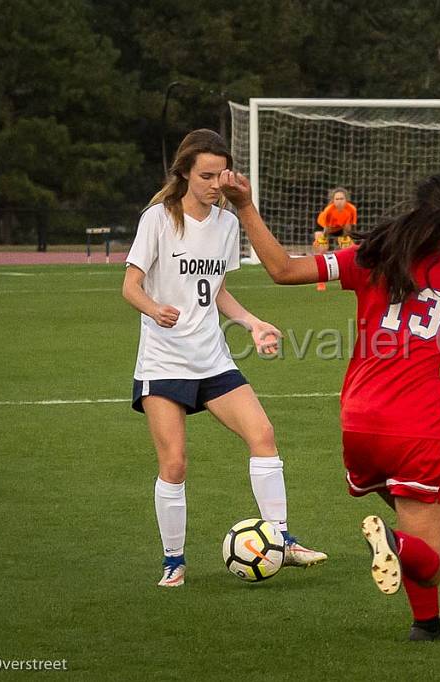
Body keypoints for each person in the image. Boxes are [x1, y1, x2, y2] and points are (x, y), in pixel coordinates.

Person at [221, 170, 440, 640]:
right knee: (431, 559)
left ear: (417, 209)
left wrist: (245, 207)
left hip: (358, 422)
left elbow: (283, 270)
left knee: (411, 514)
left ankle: (426, 625)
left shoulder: (370, 258)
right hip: (416, 429)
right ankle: (395, 544)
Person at [122, 129, 327, 588]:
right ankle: (174, 560)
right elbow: (130, 286)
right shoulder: (158, 219)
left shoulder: (228, 224)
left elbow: (215, 290)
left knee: (264, 435)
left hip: (213, 360)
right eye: (206, 175)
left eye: (221, 175)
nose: (215, 184)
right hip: (163, 363)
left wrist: (253, 323)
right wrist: (154, 308)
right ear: (185, 174)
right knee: (174, 464)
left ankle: (282, 539)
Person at [313, 187, 357, 291]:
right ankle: (321, 282)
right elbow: (326, 229)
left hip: (341, 228)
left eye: (342, 199)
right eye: (337, 199)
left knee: (350, 250)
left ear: (346, 200)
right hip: (324, 228)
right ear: (333, 200)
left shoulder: (352, 209)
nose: (339, 201)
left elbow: (348, 227)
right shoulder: (329, 210)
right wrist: (323, 239)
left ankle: (349, 279)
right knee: (322, 249)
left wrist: (345, 238)